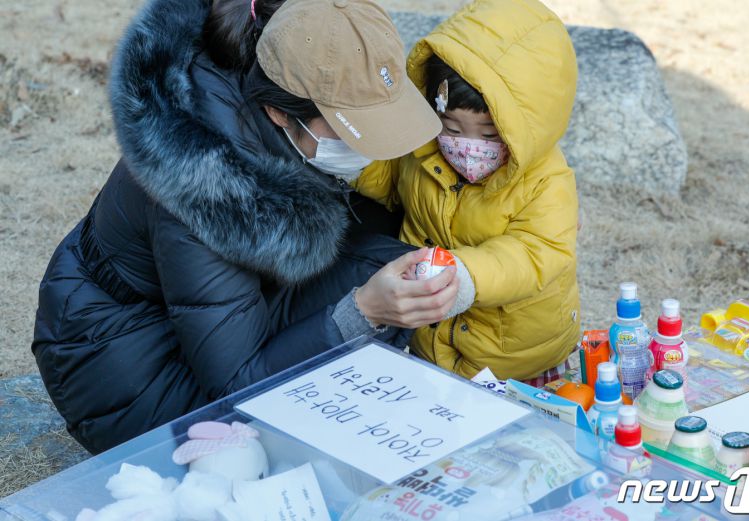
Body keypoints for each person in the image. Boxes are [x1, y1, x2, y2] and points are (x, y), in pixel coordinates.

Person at [31, 0, 464, 454]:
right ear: (281, 114)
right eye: (352, 130)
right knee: (366, 304)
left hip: (195, 316)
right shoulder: (206, 184)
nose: (370, 148)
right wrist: (366, 312)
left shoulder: (269, 89)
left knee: (390, 265)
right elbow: (237, 383)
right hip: (119, 365)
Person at [354, 0, 581, 383]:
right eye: (452, 129)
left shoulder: (545, 181)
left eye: (490, 135)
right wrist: (355, 159)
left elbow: (536, 254)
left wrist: (467, 274)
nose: (467, 147)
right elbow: (390, 182)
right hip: (431, 343)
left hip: (516, 357)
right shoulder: (424, 149)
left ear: (524, 131)